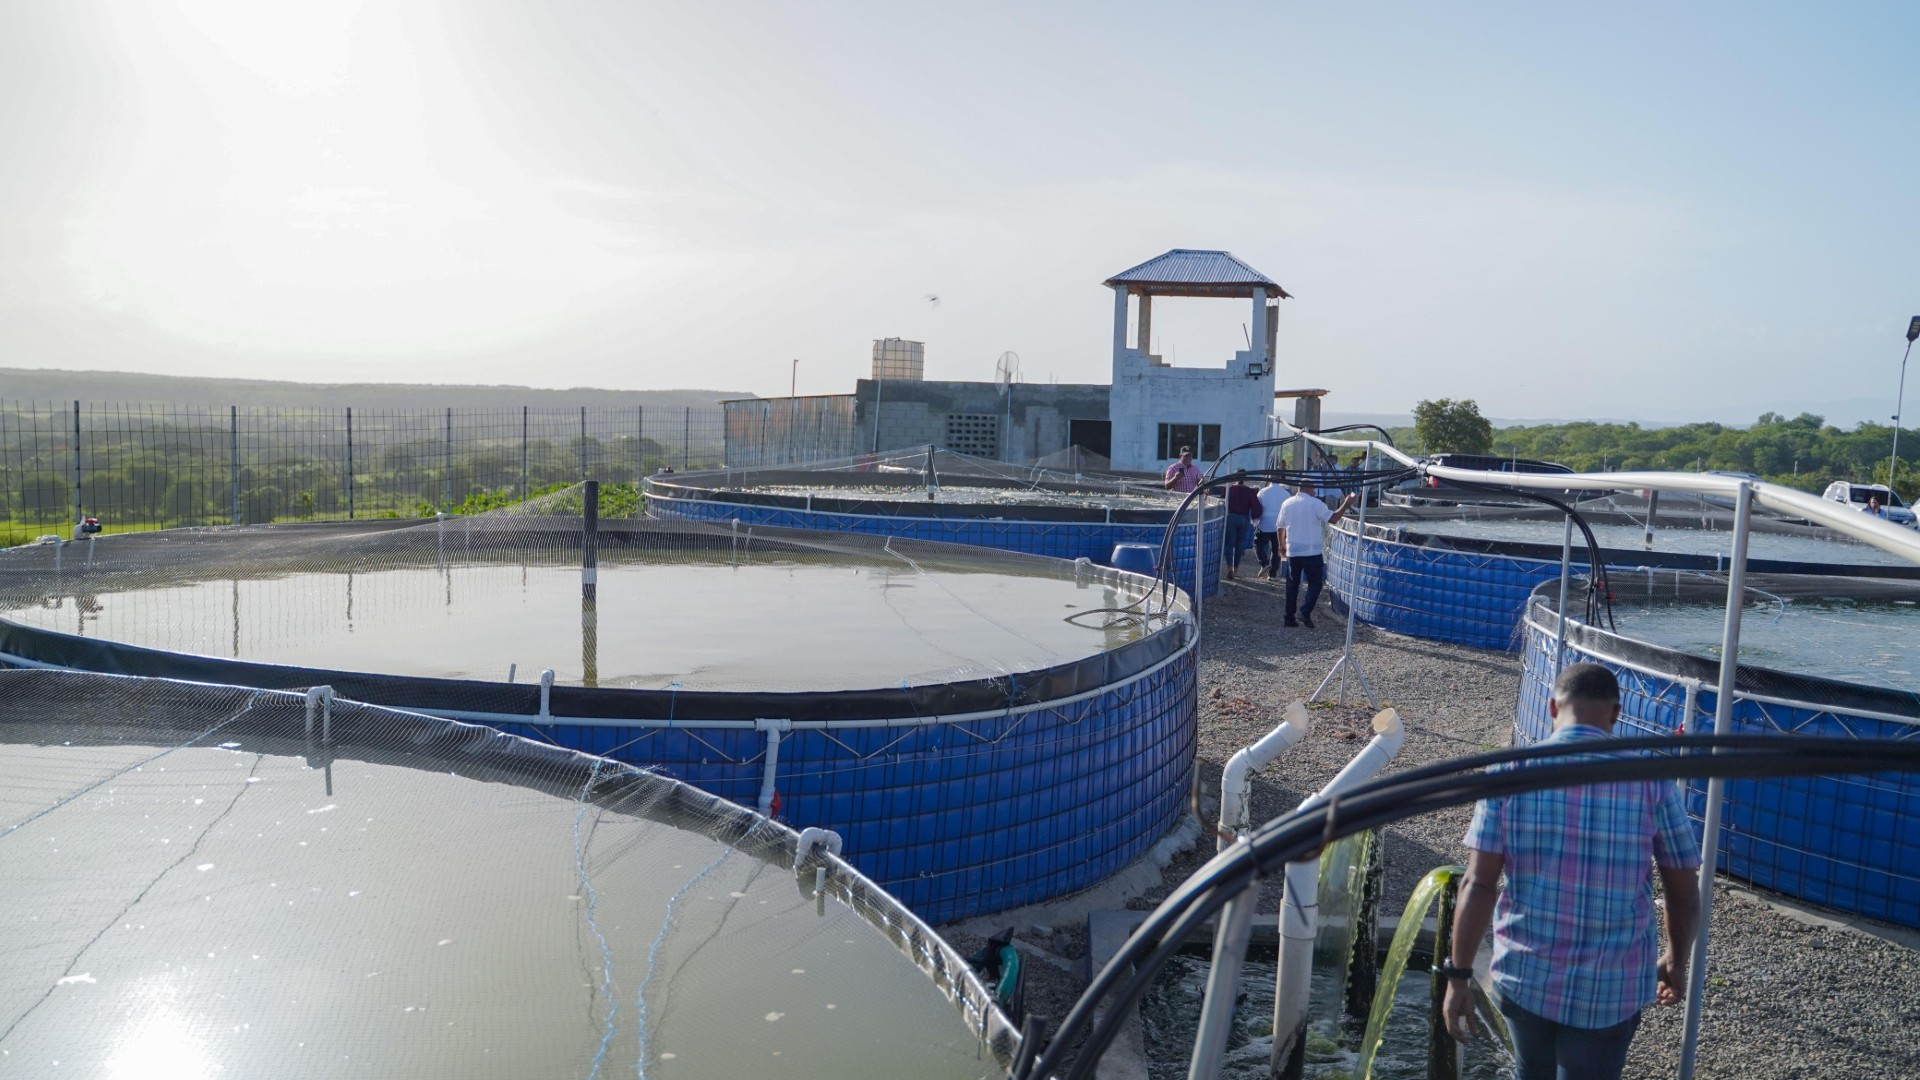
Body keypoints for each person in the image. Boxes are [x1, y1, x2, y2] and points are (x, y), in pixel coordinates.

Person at [1441, 663, 1702, 1080]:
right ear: (1616, 715)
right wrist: (1675, 959)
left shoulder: (1509, 774)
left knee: (1530, 1070)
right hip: (1611, 986)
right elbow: (1683, 890)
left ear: (1550, 707)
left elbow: (1479, 882)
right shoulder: (1650, 781)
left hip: (1526, 976)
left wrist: (1457, 977)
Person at [1276, 484, 1354, 626]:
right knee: (1315, 583)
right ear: (1308, 489)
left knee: (1292, 584)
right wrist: (1346, 504)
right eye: (1313, 489)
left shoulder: (1287, 503)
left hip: (1293, 549)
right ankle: (1305, 611)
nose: (1315, 492)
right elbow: (1334, 518)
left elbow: (1280, 526)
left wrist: (1281, 545)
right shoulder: (1315, 503)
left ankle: (1289, 618)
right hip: (1312, 551)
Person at [1222, 476, 1259, 580]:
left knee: (1229, 544)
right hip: (1244, 519)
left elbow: (1222, 502)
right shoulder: (1249, 491)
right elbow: (1255, 505)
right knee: (1239, 545)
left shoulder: (1228, 489)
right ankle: (1236, 570)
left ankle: (1229, 568)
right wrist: (1256, 517)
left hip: (1230, 517)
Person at [1254, 480, 1289, 579]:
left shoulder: (1262, 492)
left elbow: (1257, 507)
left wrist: (1255, 521)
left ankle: (1264, 563)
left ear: (1269, 480)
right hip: (1279, 525)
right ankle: (1272, 574)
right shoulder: (1285, 493)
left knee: (1257, 544)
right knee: (1276, 549)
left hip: (1264, 523)